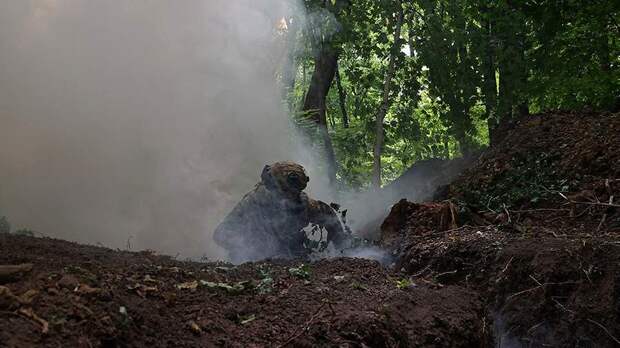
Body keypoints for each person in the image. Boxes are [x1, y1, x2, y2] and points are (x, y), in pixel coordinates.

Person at [213, 161, 348, 263]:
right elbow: (221, 234)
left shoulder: (305, 204)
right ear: (273, 187)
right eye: (286, 192)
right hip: (256, 264)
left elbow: (331, 220)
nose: (291, 197)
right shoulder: (253, 203)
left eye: (295, 193)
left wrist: (344, 250)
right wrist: (249, 247)